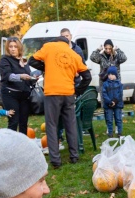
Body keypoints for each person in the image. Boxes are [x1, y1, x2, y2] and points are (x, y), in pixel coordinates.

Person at [28, 37, 91, 169]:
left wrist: (46, 67)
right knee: (70, 124)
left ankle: (55, 160)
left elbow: (32, 60)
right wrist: (77, 91)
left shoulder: (48, 47)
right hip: (68, 93)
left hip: (52, 93)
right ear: (67, 44)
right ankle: (74, 156)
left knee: (51, 125)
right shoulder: (74, 54)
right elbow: (87, 77)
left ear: (56, 41)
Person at [0, 37, 35, 135]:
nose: (13, 49)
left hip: (24, 95)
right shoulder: (5, 60)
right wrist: (21, 76)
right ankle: (11, 146)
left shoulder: (23, 60)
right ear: (7, 48)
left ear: (19, 48)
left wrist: (33, 77)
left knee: (23, 122)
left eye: (15, 46)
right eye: (10, 47)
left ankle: (22, 145)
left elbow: (28, 74)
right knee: (14, 121)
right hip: (10, 94)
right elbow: (7, 76)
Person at [90, 39, 127, 103]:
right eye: (106, 48)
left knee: (116, 102)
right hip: (104, 83)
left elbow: (124, 58)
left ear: (112, 48)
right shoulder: (101, 57)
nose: (108, 50)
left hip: (115, 83)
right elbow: (92, 57)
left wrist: (118, 50)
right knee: (105, 103)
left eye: (110, 48)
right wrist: (98, 49)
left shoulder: (116, 56)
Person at [102, 66, 124, 137]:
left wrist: (115, 101)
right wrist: (109, 102)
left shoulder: (119, 84)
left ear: (115, 75)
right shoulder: (105, 84)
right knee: (109, 120)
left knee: (118, 118)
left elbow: (120, 94)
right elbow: (104, 94)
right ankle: (110, 133)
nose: (110, 76)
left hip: (117, 104)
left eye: (112, 74)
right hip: (108, 105)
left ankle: (119, 132)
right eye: (109, 75)